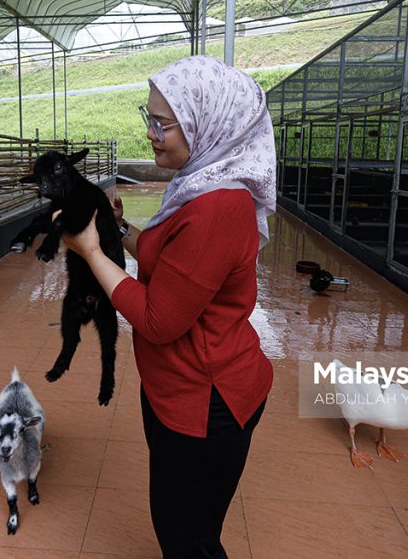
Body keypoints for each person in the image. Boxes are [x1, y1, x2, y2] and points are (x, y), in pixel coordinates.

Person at [57, 55, 276, 558]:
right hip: (176, 388)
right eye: (147, 117)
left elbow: (158, 319)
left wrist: (91, 250)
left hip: (206, 400)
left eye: (163, 123)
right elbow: (170, 258)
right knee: (179, 526)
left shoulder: (218, 206)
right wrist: (117, 229)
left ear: (208, 123)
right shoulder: (197, 182)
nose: (152, 133)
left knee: (188, 541)